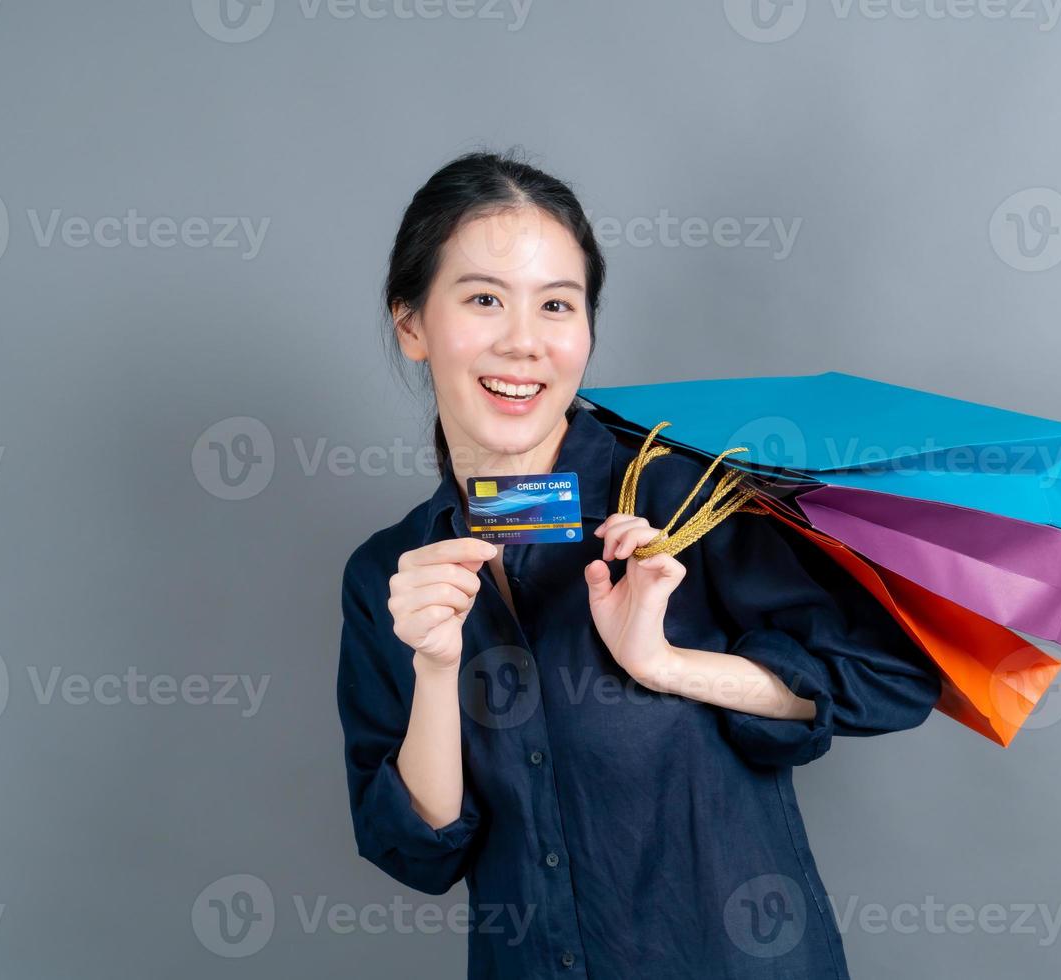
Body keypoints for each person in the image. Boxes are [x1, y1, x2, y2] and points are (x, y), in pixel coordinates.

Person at [336, 149, 944, 979]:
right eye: (483, 299)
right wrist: (437, 671)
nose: (523, 343)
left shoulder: (687, 492)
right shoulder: (390, 576)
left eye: (557, 304)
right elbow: (419, 852)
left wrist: (668, 664)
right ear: (412, 324)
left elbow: (893, 679)